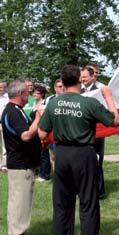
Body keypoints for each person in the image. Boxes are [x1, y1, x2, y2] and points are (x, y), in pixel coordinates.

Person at [38, 64, 119, 235]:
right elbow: (114, 121)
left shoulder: (53, 103)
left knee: (62, 204)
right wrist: (109, 97)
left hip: (61, 155)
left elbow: (42, 133)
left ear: (64, 82)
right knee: (88, 203)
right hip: (84, 154)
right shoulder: (89, 103)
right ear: (79, 81)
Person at [1, 80, 41, 235]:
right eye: (27, 92)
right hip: (20, 166)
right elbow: (25, 136)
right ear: (20, 94)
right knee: (20, 207)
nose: (29, 95)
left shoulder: (14, 110)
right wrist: (38, 118)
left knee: (17, 205)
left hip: (19, 164)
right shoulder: (14, 112)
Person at [81, 66, 106, 199]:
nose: (82, 79)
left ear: (92, 77)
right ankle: (85, 191)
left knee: (97, 161)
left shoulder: (99, 90)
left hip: (97, 132)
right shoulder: (78, 91)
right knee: (84, 162)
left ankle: (99, 192)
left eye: (85, 77)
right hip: (83, 132)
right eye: (81, 77)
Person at [30, 84, 51, 183]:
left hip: (41, 131)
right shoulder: (34, 103)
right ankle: (39, 171)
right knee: (37, 152)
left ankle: (45, 175)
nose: (34, 94)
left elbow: (44, 119)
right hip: (34, 132)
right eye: (33, 92)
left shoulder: (43, 104)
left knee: (44, 153)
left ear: (42, 94)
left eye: (37, 93)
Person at [0, 80, 9, 172]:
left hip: (3, 123)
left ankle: (4, 165)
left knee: (5, 145)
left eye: (1, 87)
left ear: (5, 88)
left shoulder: (8, 98)